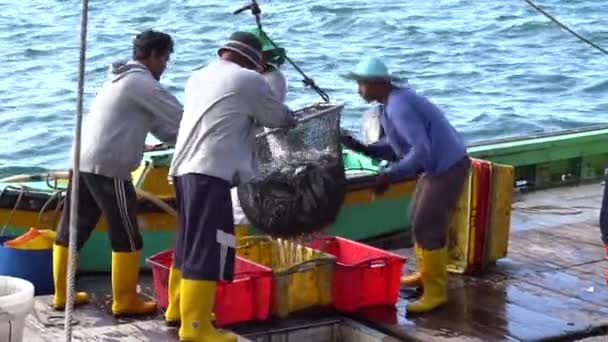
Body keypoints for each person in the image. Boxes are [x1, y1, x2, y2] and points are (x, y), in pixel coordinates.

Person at [166, 31, 296, 341]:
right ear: (253, 60)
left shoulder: (198, 75)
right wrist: (292, 119)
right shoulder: (248, 80)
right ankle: (195, 328)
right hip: (210, 173)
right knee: (207, 247)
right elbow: (275, 116)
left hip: (184, 170)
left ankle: (178, 309)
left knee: (187, 242)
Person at [51, 30, 183, 317]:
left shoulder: (118, 77)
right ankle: (124, 300)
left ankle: (62, 295)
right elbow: (181, 118)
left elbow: (163, 127)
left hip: (81, 159)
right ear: (152, 56)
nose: (165, 66)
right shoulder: (143, 83)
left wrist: (176, 138)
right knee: (127, 235)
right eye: (165, 59)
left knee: (73, 229)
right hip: (109, 167)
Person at [341, 56, 470, 314]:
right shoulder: (389, 104)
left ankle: (436, 292)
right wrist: (364, 148)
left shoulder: (399, 105)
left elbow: (421, 150)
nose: (358, 91)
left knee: (427, 224)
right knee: (416, 217)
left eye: (362, 85)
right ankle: (425, 273)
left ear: (377, 84)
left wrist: (390, 175)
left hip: (446, 167)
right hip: (436, 168)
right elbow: (396, 146)